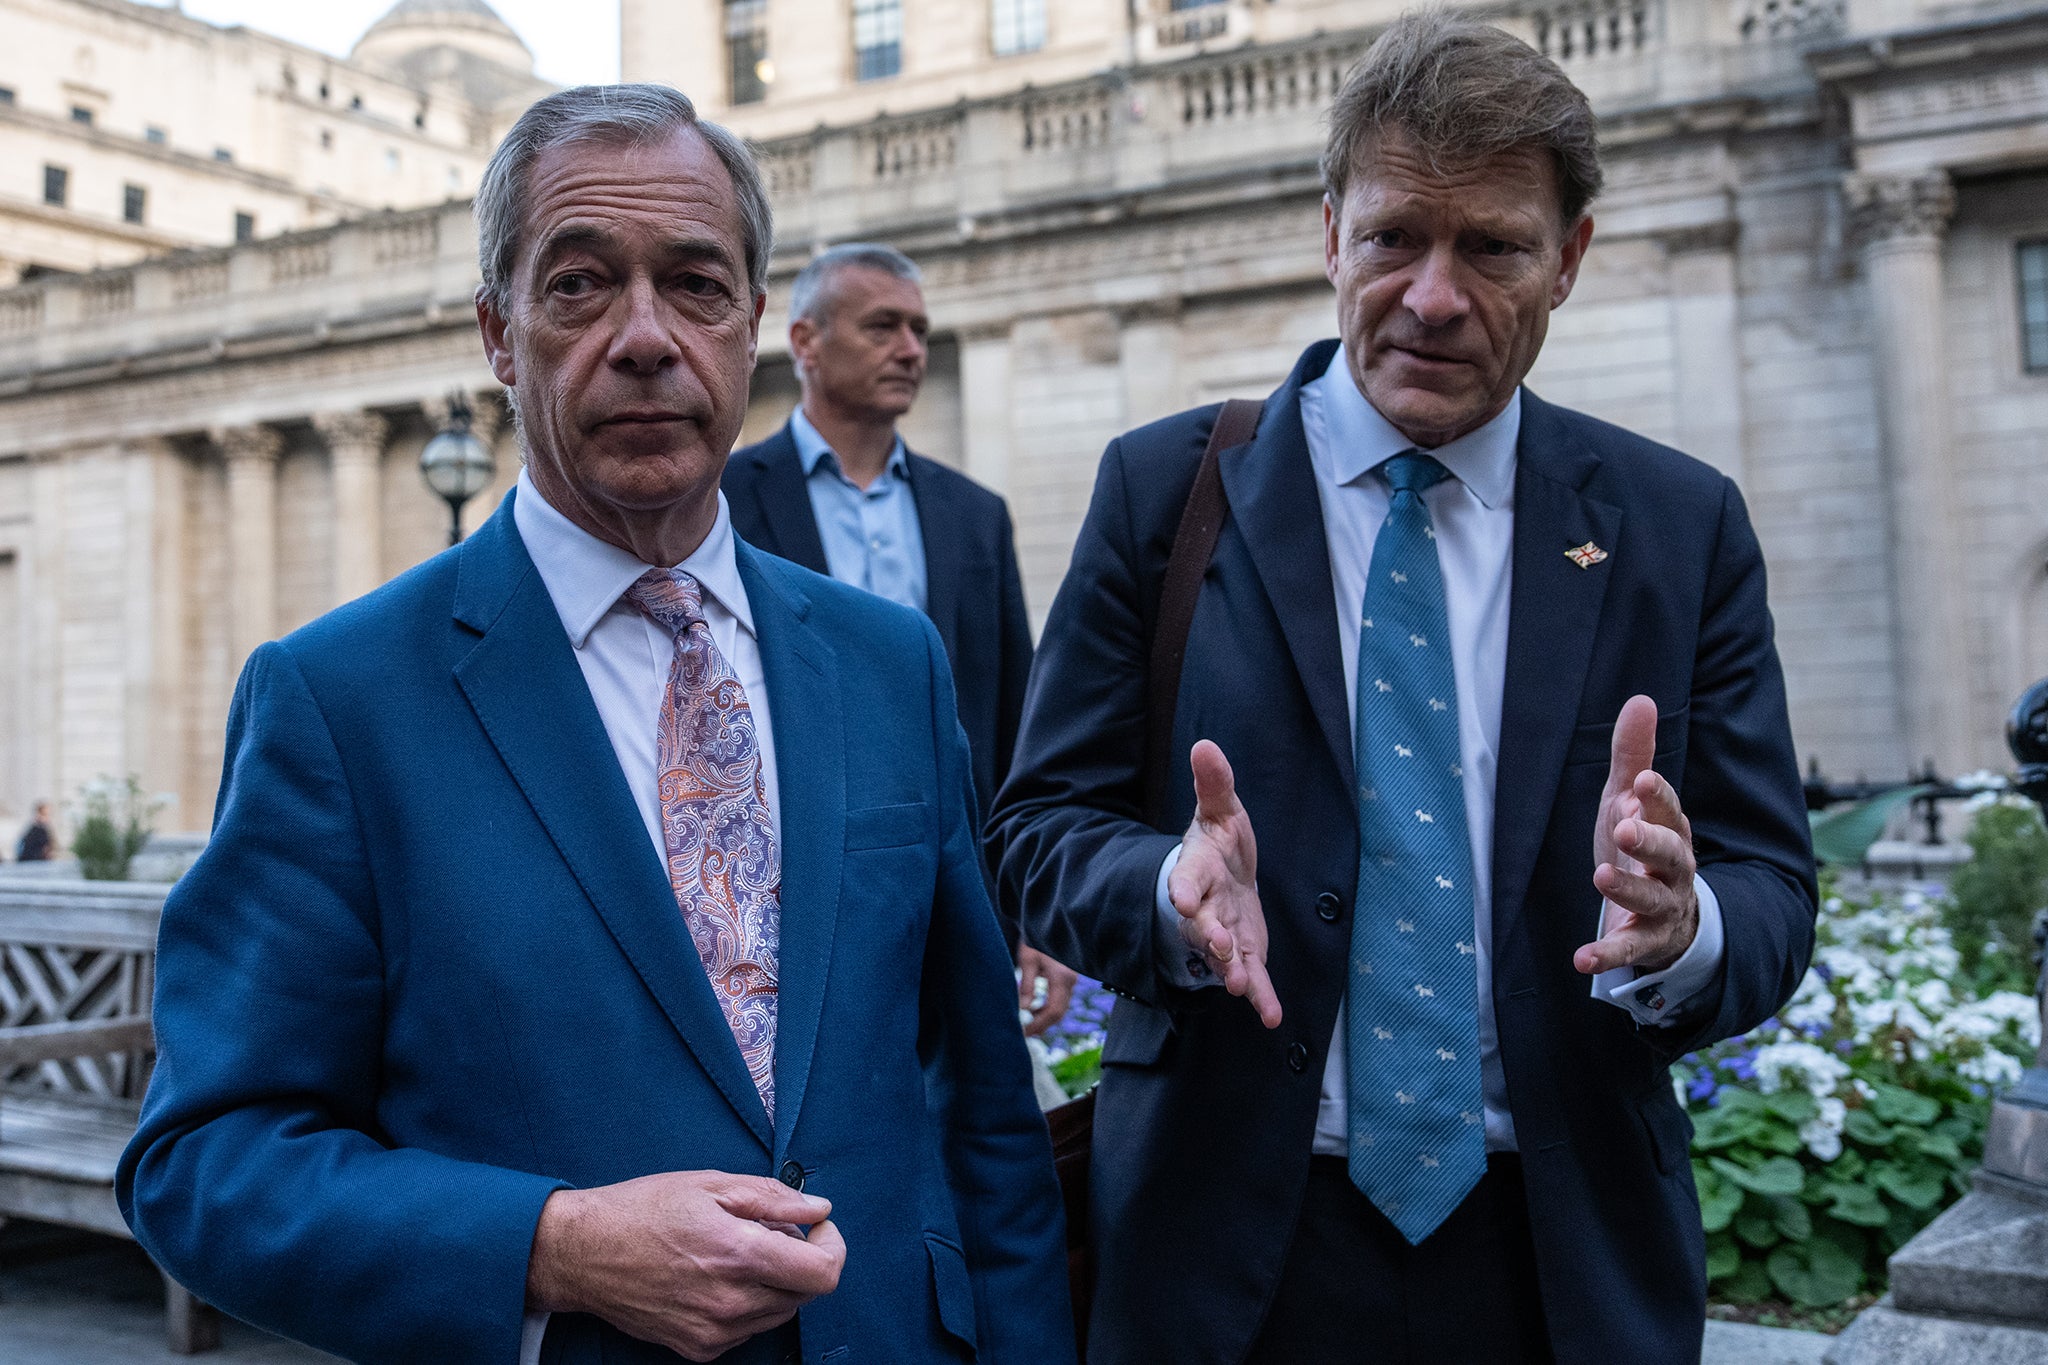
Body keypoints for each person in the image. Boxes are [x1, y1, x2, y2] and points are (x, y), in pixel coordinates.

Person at [117, 85, 1073, 1365]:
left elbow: (981, 1111)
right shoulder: (339, 701)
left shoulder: (887, 662)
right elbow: (204, 1162)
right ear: (498, 335)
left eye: (693, 284)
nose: (643, 337)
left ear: (751, 330)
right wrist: (549, 1246)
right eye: (577, 286)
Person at [988, 14, 1816, 1365]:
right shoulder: (1164, 493)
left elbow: (1772, 886)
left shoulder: (1678, 525)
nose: (1433, 297)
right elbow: (1033, 833)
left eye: (1490, 247)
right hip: (1225, 1265)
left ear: (1570, 261)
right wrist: (1163, 891)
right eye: (1393, 239)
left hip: (1559, 1271)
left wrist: (1688, 926)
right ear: (1331, 235)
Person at [724, 243, 1077, 1034]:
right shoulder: (722, 502)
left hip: (953, 898)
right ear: (805, 342)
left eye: (919, 328)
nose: (912, 349)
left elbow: (1018, 730)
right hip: (774, 910)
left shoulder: (974, 516)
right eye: (884, 326)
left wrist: (1036, 915)